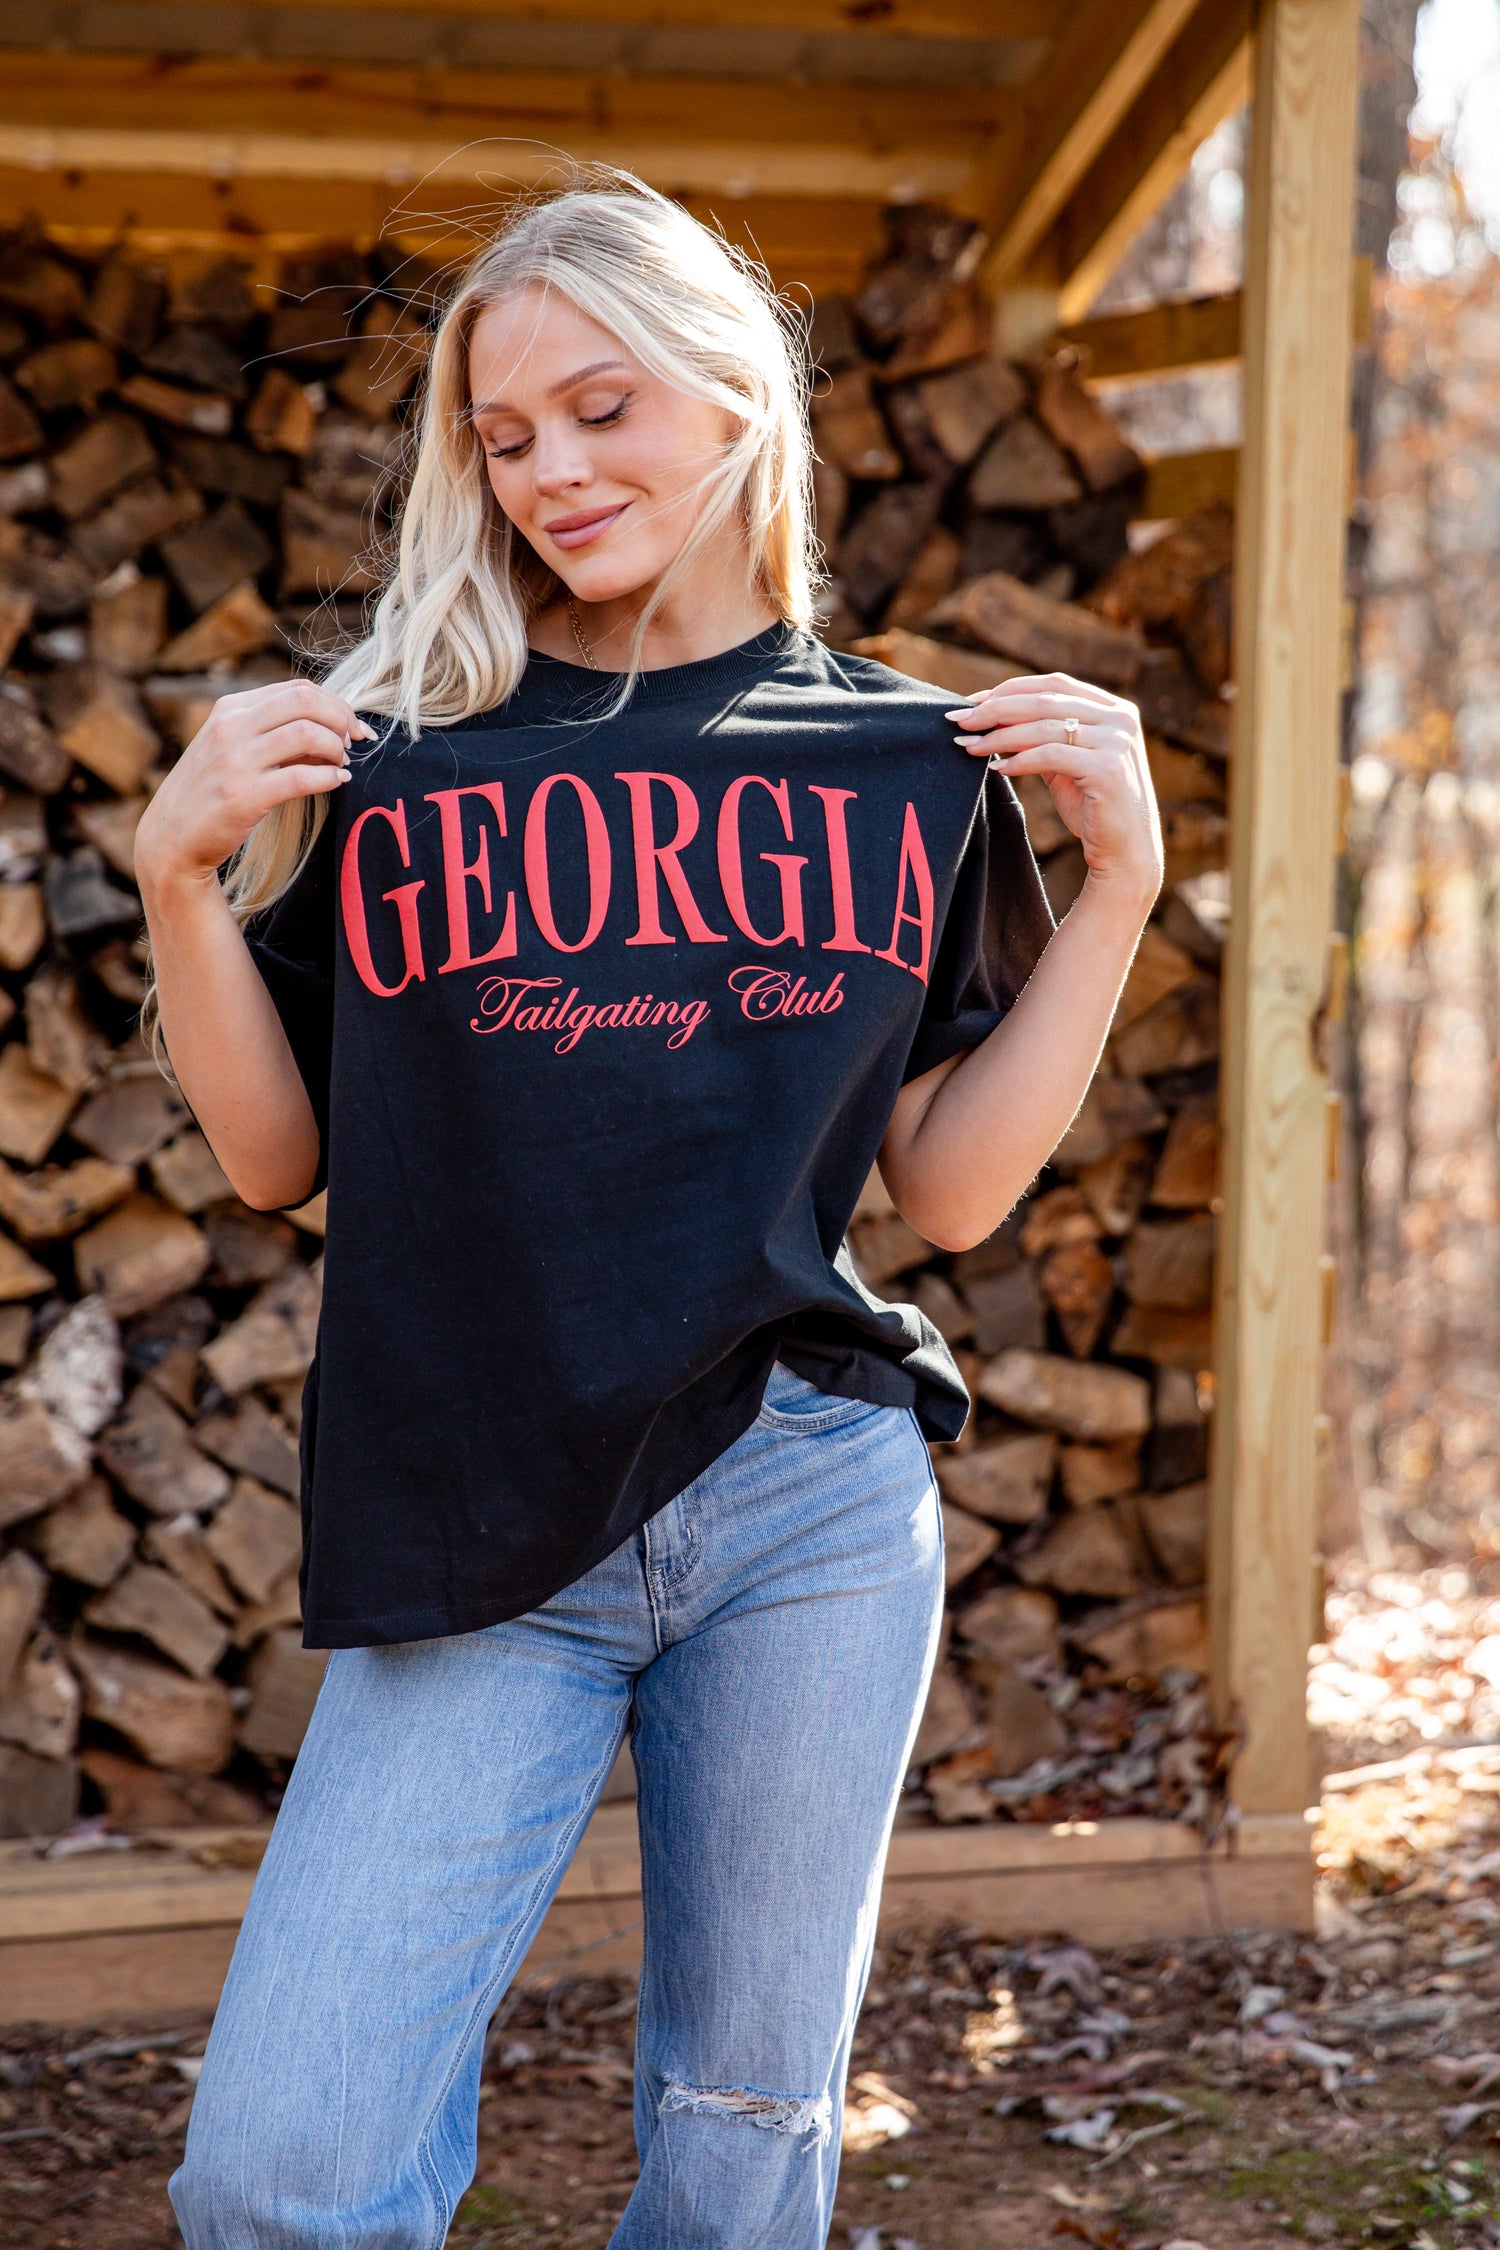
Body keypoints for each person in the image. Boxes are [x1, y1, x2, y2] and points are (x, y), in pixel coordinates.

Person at [141, 176, 1162, 2249]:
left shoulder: (906, 760)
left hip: (803, 1499)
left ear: (730, 398)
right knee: (284, 2166)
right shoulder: (409, 757)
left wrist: (1123, 888)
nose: (551, 474)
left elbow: (949, 1193)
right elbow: (274, 1158)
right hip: (480, 1498)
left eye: (599, 409)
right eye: (504, 439)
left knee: (741, 2139)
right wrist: (179, 879)